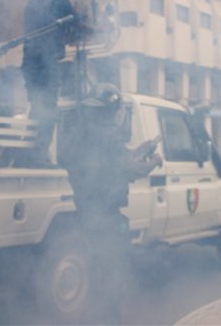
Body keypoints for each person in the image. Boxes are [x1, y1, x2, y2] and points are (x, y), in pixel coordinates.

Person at [62, 83, 162, 323]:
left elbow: (117, 160)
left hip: (88, 214)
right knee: (112, 277)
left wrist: (144, 147)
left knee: (96, 273)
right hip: (106, 219)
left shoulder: (84, 135)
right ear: (112, 110)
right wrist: (154, 159)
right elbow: (130, 167)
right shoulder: (107, 135)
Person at [20, 0, 77, 168]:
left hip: (29, 63)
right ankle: (39, 156)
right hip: (46, 63)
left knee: (36, 107)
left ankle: (27, 154)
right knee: (48, 110)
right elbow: (75, 25)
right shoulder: (59, 1)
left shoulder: (31, 2)